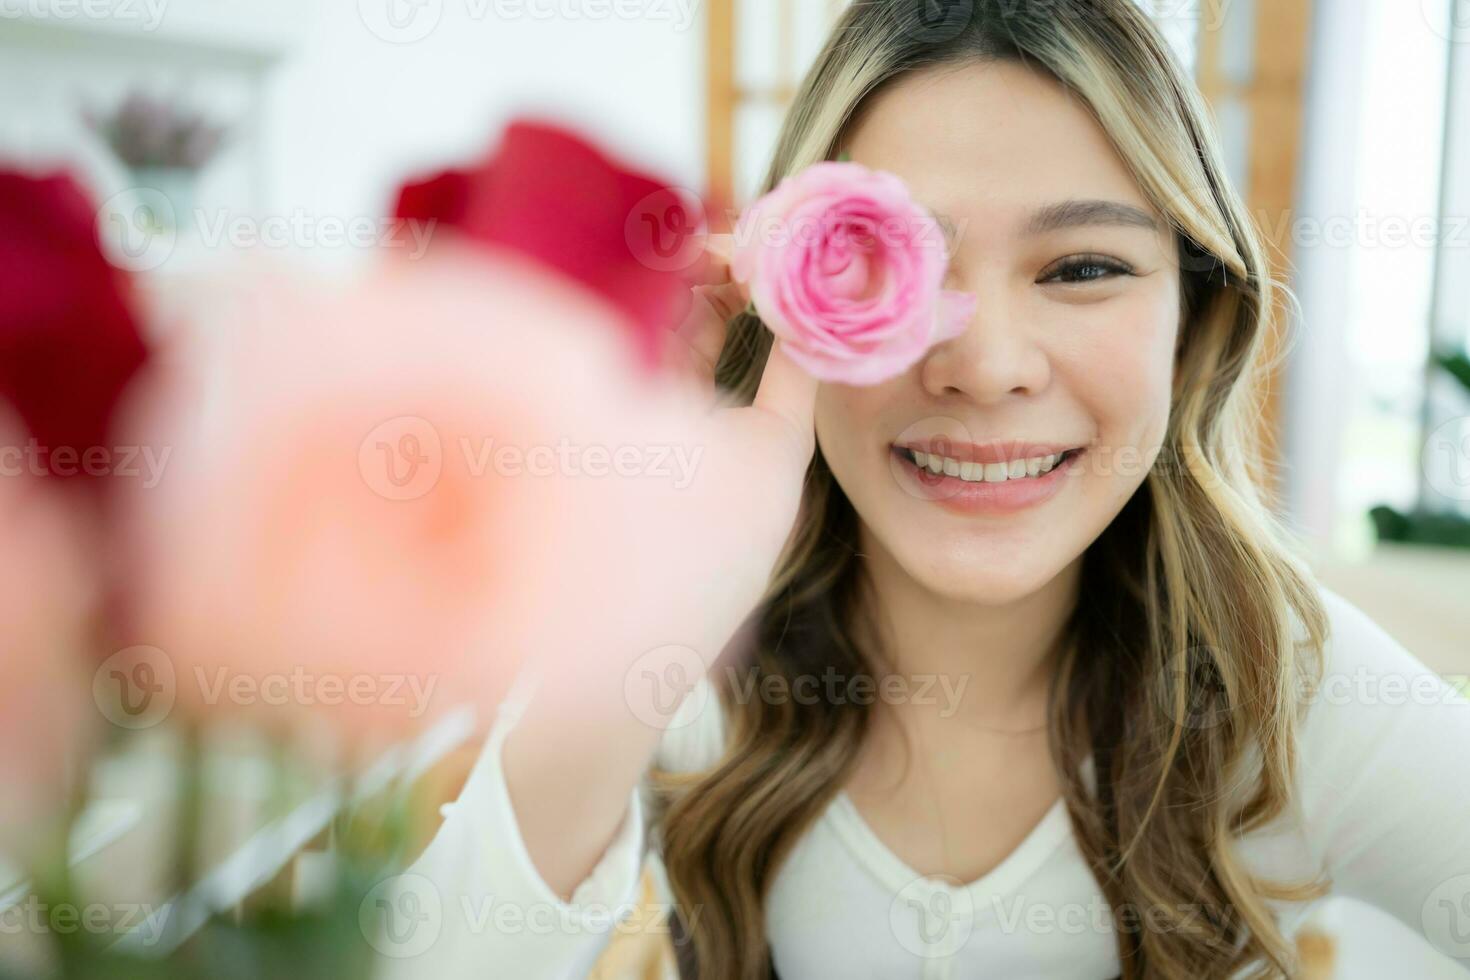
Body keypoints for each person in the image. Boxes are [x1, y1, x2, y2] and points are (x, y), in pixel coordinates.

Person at [373, 1, 1470, 977]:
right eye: (891, 264)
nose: (987, 365)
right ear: (783, 311)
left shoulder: (1287, 684)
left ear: (1191, 326)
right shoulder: (693, 659)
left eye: (1082, 268)